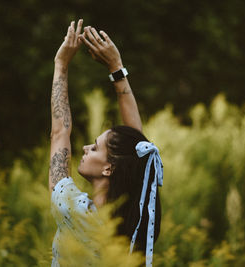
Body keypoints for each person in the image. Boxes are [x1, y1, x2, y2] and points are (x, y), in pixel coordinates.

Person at [49, 19, 163, 267]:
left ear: (109, 168)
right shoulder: (134, 223)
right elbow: (133, 150)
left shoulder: (74, 212)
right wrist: (116, 68)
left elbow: (60, 133)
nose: (85, 149)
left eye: (95, 147)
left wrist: (61, 66)